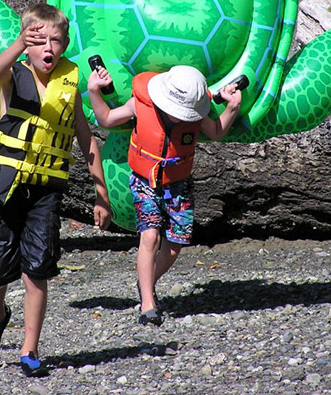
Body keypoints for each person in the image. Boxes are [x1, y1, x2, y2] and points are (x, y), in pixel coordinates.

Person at [0, 3, 111, 377]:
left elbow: (85, 137)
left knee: (38, 268)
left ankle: (30, 349)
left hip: (46, 189)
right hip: (6, 185)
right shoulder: (12, 75)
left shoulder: (70, 80)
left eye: (57, 41)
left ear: (65, 45)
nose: (48, 48)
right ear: (28, 44)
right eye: (39, 40)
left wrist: (102, 194)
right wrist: (17, 43)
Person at [87, 64, 241, 326]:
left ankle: (145, 282)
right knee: (150, 235)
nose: (182, 117)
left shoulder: (194, 114)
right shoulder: (141, 104)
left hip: (178, 185)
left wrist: (232, 107)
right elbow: (107, 119)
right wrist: (94, 92)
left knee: (174, 245)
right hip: (145, 181)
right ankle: (148, 304)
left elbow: (216, 131)